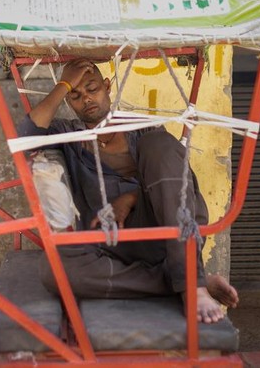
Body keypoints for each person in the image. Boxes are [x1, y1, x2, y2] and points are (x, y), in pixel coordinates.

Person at [19, 58, 239, 323]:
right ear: (68, 101)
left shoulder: (142, 128)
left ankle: (192, 283)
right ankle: (185, 280)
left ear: (107, 86)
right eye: (75, 95)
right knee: (53, 269)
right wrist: (64, 84)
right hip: (108, 247)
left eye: (92, 88)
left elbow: (171, 182)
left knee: (159, 144)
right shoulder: (67, 134)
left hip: (165, 231)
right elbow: (25, 138)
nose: (86, 98)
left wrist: (131, 198)